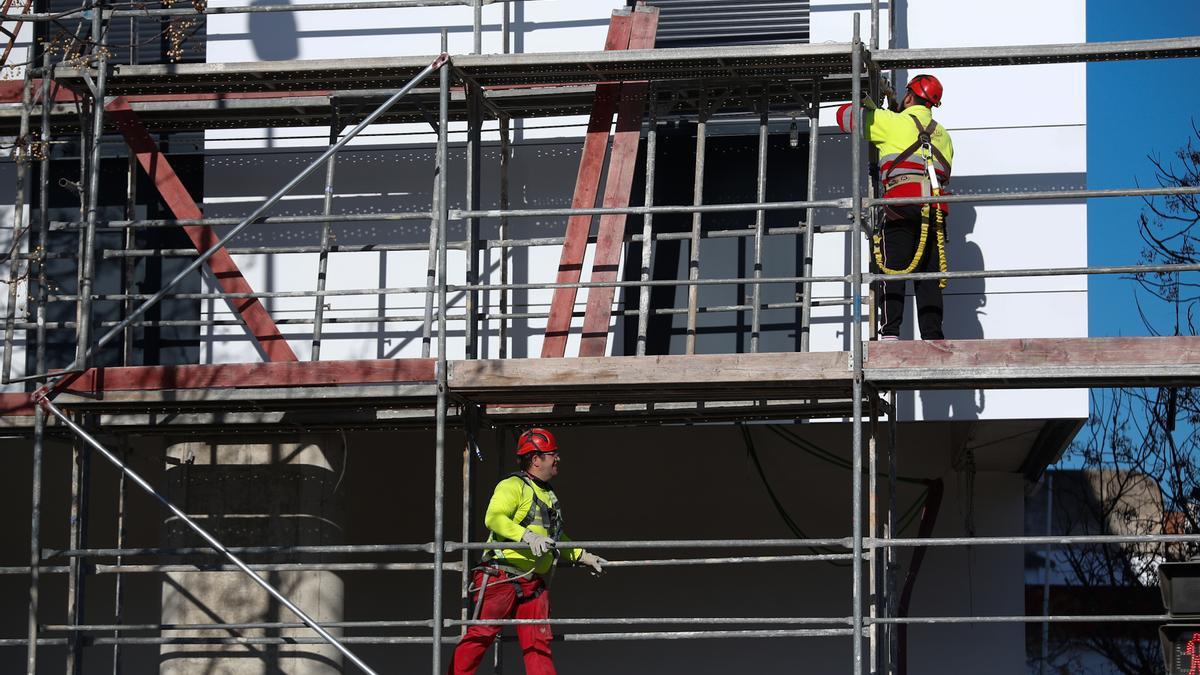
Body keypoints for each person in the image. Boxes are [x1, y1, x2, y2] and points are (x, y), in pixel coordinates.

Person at [447, 427, 606, 675]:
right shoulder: (512, 486)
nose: (557, 458)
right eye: (553, 453)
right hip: (501, 578)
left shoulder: (547, 494)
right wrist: (526, 535)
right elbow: (493, 518)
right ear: (535, 459)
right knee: (482, 635)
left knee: (538, 643)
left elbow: (555, 537)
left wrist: (581, 555)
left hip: (532, 584)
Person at [837, 74, 955, 340]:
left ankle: (890, 334)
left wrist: (871, 108)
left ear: (909, 96)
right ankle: (933, 337)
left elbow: (844, 117)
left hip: (901, 204)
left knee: (893, 268)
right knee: (929, 276)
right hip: (934, 209)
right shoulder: (944, 135)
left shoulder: (891, 122)